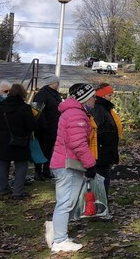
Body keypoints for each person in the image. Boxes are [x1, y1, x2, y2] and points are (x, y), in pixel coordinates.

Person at [45, 83, 97, 253]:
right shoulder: (77, 115)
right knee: (66, 202)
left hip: (64, 162)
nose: (95, 99)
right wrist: (90, 164)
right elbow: (78, 144)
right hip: (69, 164)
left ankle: (57, 230)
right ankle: (60, 240)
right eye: (93, 96)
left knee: (66, 201)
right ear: (84, 98)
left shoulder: (71, 112)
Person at [0, 83, 36, 200]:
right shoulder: (25, 108)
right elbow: (32, 126)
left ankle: (3, 189)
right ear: (22, 94)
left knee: (3, 163)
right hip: (19, 141)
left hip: (2, 141)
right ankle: (17, 192)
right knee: (21, 164)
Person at [90, 83, 122, 199]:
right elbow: (95, 129)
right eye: (109, 95)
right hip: (101, 150)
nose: (111, 97)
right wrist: (107, 136)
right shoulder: (99, 108)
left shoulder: (104, 107)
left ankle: (102, 200)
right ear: (103, 96)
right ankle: (101, 202)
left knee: (104, 175)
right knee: (102, 177)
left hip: (104, 149)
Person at [33, 74, 63, 181]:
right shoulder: (42, 94)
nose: (58, 84)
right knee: (41, 150)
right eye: (57, 82)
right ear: (52, 83)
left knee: (49, 150)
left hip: (54, 127)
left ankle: (46, 170)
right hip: (44, 129)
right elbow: (36, 112)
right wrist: (43, 126)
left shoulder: (55, 95)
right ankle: (38, 172)